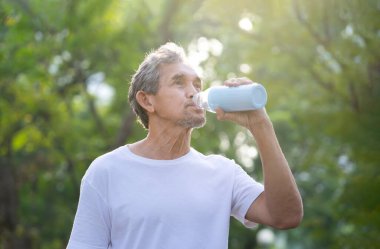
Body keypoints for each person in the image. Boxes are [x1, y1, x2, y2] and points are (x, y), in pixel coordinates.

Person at [67, 42, 303, 249]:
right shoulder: (107, 171)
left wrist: (260, 125)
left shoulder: (223, 172)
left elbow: (286, 216)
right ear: (147, 100)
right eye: (179, 83)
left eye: (197, 85)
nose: (193, 92)